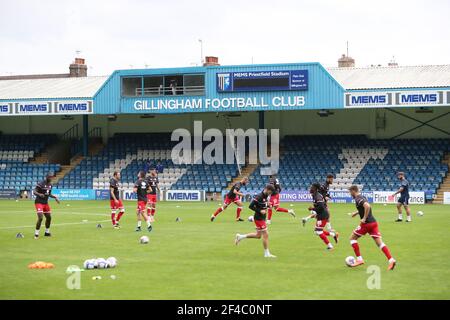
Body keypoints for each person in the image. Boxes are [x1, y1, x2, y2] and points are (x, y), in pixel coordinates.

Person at [348, 185, 396, 270]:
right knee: (380, 243)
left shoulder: (358, 199)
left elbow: (367, 206)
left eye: (350, 192)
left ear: (353, 191)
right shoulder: (362, 196)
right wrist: (356, 213)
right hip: (373, 223)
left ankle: (359, 259)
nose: (350, 194)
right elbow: (365, 207)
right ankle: (391, 260)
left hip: (366, 224)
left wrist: (364, 218)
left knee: (352, 239)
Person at [234, 184, 277, 258]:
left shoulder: (265, 196)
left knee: (258, 236)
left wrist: (268, 205)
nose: (270, 194)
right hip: (258, 218)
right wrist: (260, 211)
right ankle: (266, 253)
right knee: (266, 234)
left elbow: (262, 205)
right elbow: (250, 206)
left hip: (262, 218)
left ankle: (240, 237)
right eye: (270, 192)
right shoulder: (259, 196)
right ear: (267, 189)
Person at [304, 183, 339, 250]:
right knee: (317, 231)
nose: (310, 188)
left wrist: (312, 209)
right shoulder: (315, 195)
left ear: (315, 188)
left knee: (319, 231)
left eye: (312, 187)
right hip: (320, 215)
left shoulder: (317, 196)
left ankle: (330, 246)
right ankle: (333, 235)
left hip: (323, 215)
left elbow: (321, 207)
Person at [33, 173, 60, 239]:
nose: (51, 178)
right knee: (41, 218)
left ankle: (47, 232)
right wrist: (39, 194)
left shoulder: (50, 185)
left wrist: (55, 197)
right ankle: (36, 234)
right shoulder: (41, 183)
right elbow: (34, 191)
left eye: (52, 177)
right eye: (50, 177)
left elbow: (49, 194)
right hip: (39, 202)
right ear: (47, 177)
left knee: (49, 218)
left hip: (45, 203)